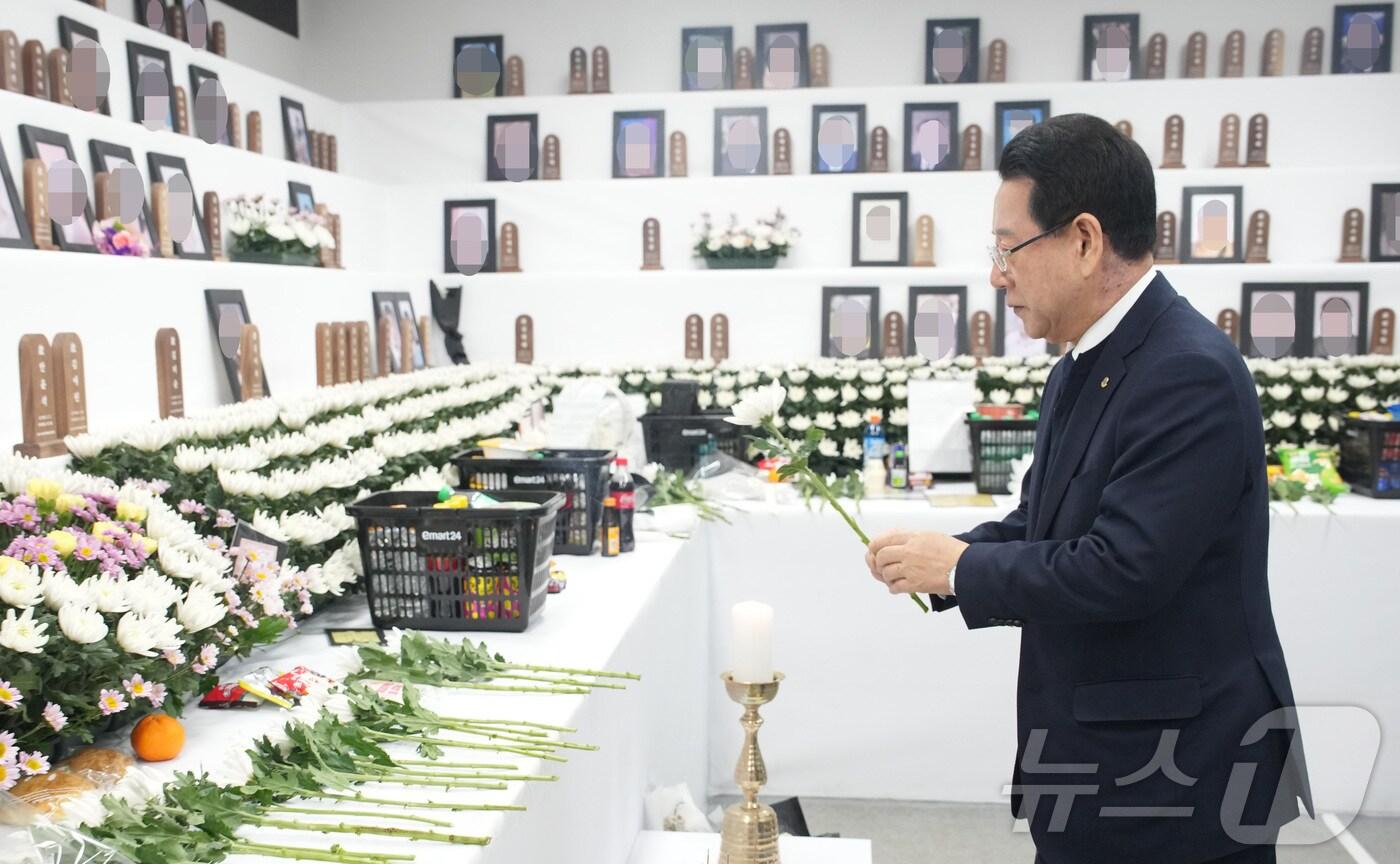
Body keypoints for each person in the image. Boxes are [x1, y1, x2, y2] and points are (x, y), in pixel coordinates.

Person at [866, 114, 1311, 864]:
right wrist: (945, 558)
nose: (996, 275)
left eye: (1008, 249)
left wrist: (964, 568)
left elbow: (1124, 566)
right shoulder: (1084, 359)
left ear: (1082, 240)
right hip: (1101, 761)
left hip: (1177, 782)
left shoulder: (1184, 369)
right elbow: (1050, 522)